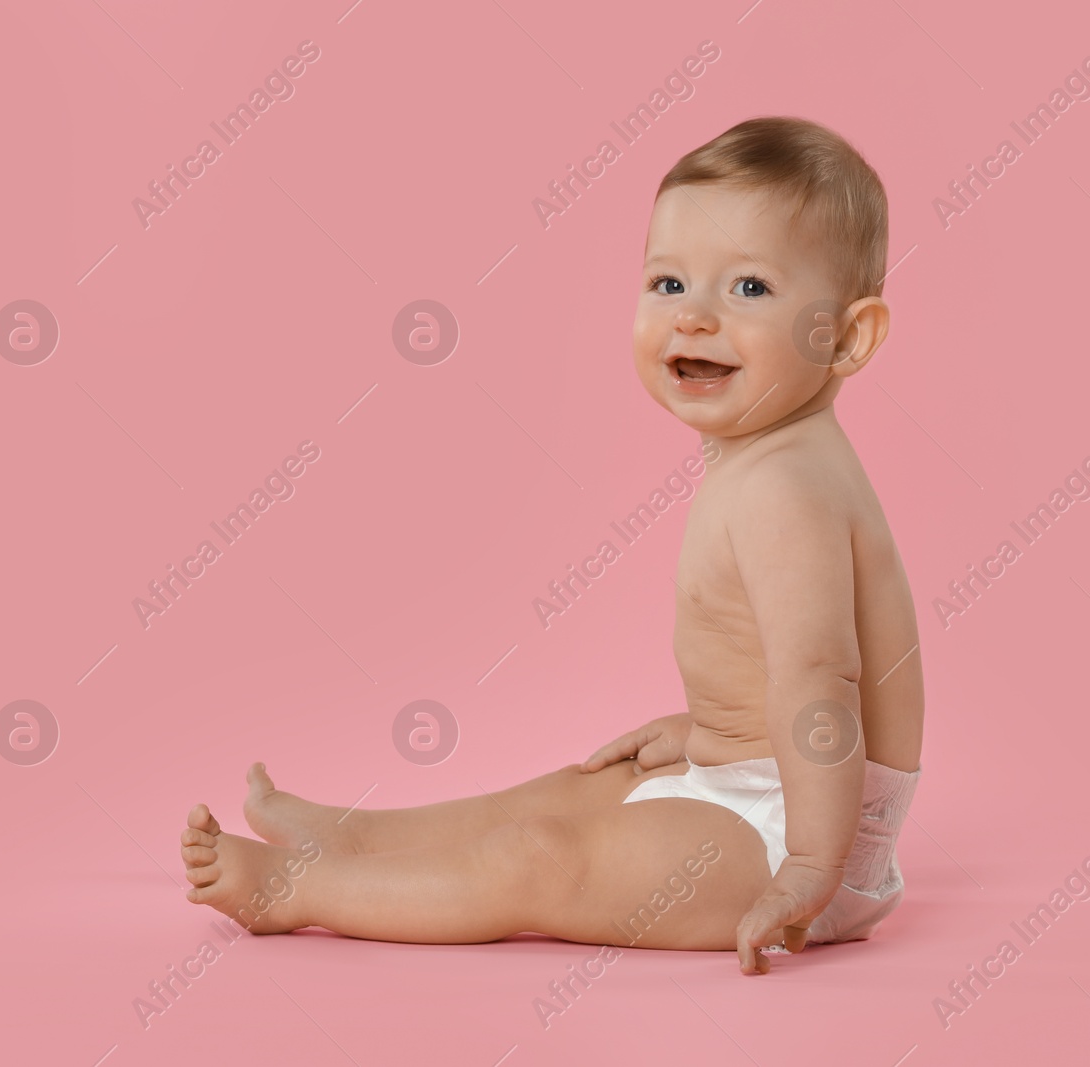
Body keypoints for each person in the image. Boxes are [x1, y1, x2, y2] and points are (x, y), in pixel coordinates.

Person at [179, 116, 925, 975]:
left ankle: (301, 892)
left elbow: (822, 683)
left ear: (846, 336)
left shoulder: (785, 490)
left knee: (538, 856)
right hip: (763, 782)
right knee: (556, 796)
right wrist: (708, 732)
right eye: (669, 282)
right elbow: (792, 677)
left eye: (751, 289)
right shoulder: (775, 456)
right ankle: (353, 838)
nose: (696, 318)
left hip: (794, 830)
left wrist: (810, 869)